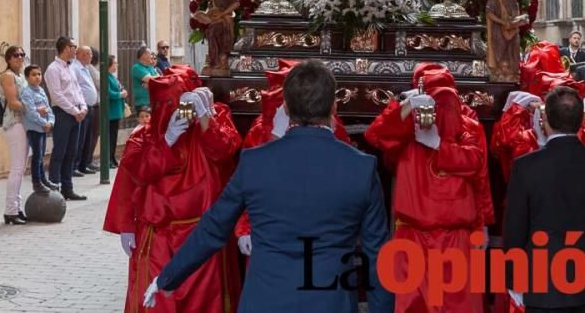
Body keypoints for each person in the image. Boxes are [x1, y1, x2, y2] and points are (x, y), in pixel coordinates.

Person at [145, 61, 393, 313]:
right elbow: (378, 254)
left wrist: (167, 278)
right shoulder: (361, 168)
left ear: (285, 107)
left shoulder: (255, 162)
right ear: (334, 107)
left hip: (265, 300)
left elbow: (213, 228)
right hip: (330, 302)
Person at [105, 67, 243, 313]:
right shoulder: (145, 136)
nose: (172, 110)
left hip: (203, 240)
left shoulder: (214, 117)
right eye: (163, 103)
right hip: (158, 240)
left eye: (177, 102)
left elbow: (224, 152)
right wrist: (166, 141)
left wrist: (205, 118)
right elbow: (134, 176)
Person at [365, 63, 487, 312]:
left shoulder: (468, 128)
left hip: (455, 236)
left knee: (459, 306)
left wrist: (440, 145)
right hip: (414, 237)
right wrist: (404, 105)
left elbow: (477, 169)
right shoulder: (406, 129)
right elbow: (375, 134)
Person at [503, 87, 585, 312]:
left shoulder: (526, 167)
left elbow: (515, 230)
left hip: (541, 282)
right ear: (581, 119)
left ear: (544, 119)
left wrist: (512, 280)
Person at [234, 60, 352, 253]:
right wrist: (246, 228)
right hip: (270, 228)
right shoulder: (262, 127)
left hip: (319, 230)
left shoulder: (330, 125)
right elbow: (252, 183)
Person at [44, 36, 88, 201]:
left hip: (76, 112)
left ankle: (67, 188)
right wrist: (73, 110)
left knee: (72, 152)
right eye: (73, 46)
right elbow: (57, 95)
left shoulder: (71, 68)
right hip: (63, 114)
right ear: (65, 48)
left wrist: (82, 107)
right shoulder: (53, 69)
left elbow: (78, 90)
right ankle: (55, 186)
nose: (75, 49)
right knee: (60, 151)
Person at [0, 45, 29, 224]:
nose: (19, 58)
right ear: (8, 59)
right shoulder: (8, 76)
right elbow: (13, 102)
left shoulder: (20, 76)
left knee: (20, 168)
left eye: (22, 55)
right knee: (17, 168)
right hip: (14, 123)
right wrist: (33, 109)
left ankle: (16, 207)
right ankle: (10, 210)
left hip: (23, 123)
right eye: (15, 55)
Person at [192, 0, 240, 76]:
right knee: (210, 33)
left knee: (214, 33)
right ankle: (214, 61)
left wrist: (222, 14)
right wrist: (202, 15)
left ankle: (220, 61)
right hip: (216, 19)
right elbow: (211, 8)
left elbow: (236, 3)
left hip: (225, 20)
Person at [20, 65, 56, 193]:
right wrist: (43, 123)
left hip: (44, 127)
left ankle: (43, 180)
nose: (37, 77)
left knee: (41, 155)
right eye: (34, 75)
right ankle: (37, 182)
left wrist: (50, 122)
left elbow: (48, 108)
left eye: (39, 74)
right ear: (27, 77)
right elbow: (30, 113)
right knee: (37, 156)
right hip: (34, 128)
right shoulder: (26, 93)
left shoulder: (41, 90)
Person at [486, 0, 523, 82]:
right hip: (498, 28)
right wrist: (502, 22)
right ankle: (499, 71)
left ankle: (513, 70)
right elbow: (489, 13)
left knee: (515, 43)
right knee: (500, 47)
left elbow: (516, 10)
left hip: (511, 27)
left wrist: (516, 20)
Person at [73, 45, 99, 175]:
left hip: (90, 107)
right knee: (80, 139)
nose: (92, 56)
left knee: (87, 138)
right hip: (81, 107)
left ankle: (83, 164)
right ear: (82, 55)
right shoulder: (75, 68)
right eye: (89, 54)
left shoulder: (86, 68)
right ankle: (75, 166)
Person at [106, 54, 128, 168]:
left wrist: (123, 91)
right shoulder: (106, 77)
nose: (117, 65)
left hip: (116, 111)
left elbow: (119, 87)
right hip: (111, 111)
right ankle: (108, 159)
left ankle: (112, 157)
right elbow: (108, 93)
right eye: (115, 63)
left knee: (114, 136)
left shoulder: (112, 76)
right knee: (110, 137)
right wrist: (120, 94)